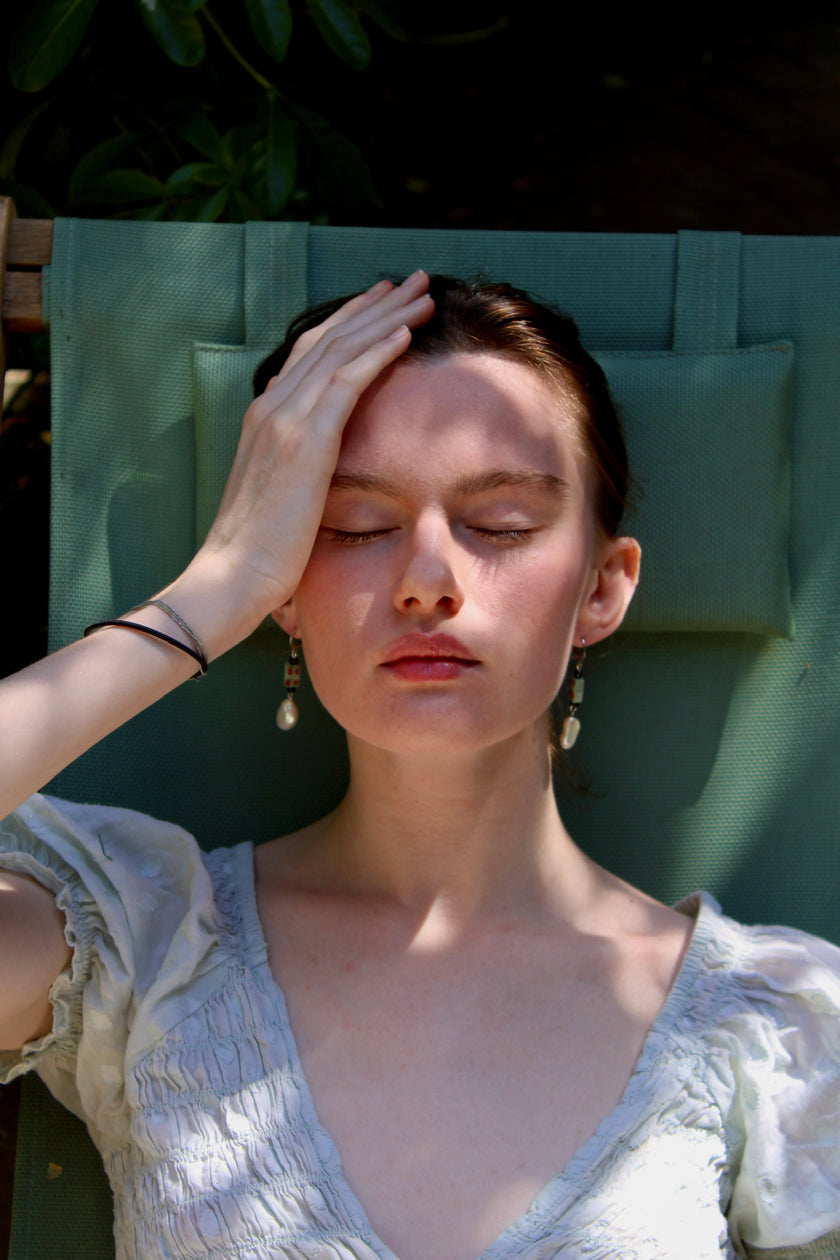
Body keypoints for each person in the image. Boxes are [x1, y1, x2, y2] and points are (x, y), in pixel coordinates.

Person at [1, 270, 839, 1260]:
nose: (427, 582)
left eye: (502, 526)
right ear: (284, 587)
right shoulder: (142, 940)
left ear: (604, 590)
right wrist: (208, 598)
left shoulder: (777, 1027)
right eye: (353, 527)